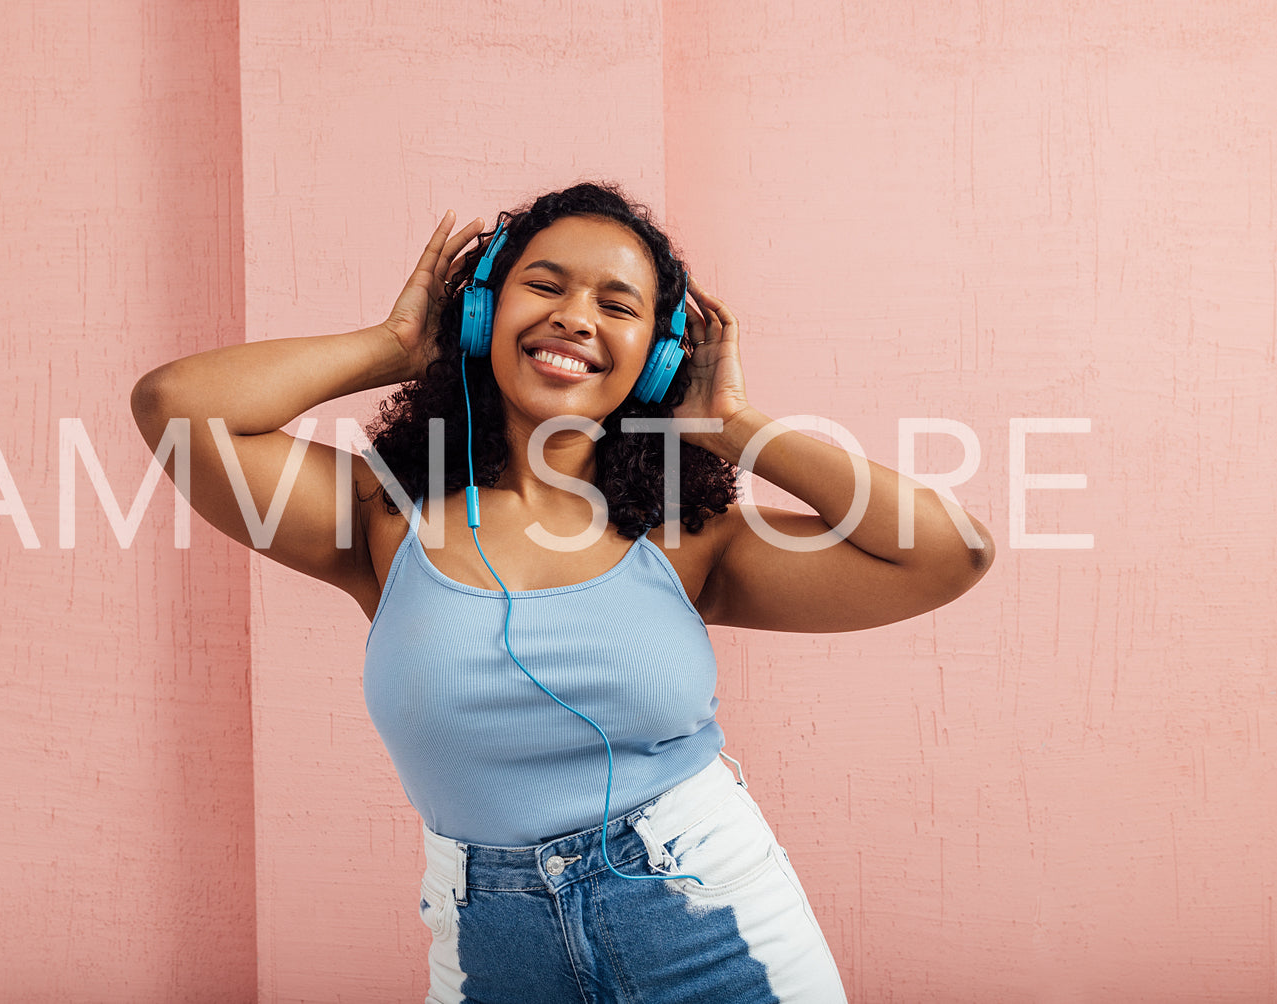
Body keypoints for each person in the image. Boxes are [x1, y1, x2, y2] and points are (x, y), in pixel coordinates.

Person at [131, 182, 994, 1003]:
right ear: (480, 314)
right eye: (541, 285)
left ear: (657, 359)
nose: (574, 318)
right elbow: (175, 403)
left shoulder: (686, 540)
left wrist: (730, 425)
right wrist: (395, 343)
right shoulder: (380, 520)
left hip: (711, 916)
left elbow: (950, 553)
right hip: (488, 939)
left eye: (617, 306)